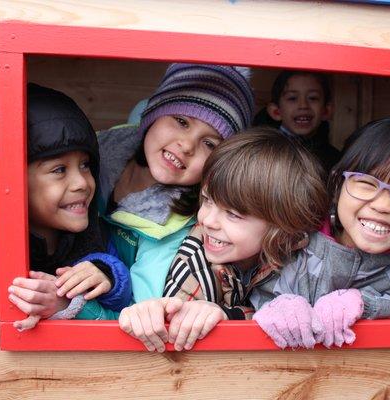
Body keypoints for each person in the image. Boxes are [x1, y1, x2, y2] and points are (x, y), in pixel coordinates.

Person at [62, 63, 255, 320]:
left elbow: (138, 315)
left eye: (209, 143)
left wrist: (66, 305)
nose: (186, 145)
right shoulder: (97, 150)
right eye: (181, 121)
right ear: (152, 115)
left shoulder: (172, 229)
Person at [252, 118, 390, 349]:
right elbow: (250, 293)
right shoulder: (294, 240)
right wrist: (277, 305)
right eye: (367, 183)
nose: (382, 205)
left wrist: (369, 307)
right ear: (337, 184)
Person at [117, 128, 330, 352]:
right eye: (207, 200)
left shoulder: (310, 258)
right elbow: (177, 342)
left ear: (282, 226)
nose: (208, 220)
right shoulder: (195, 262)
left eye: (233, 214)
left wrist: (233, 316)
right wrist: (224, 318)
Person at [7, 83, 132, 330]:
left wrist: (106, 276)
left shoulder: (96, 236)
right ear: (17, 180)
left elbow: (124, 302)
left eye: (85, 165)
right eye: (59, 170)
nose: (82, 183)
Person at [255, 70, 340, 171]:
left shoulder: (335, 161)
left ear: (326, 111)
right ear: (276, 112)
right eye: (292, 98)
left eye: (313, 98)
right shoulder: (260, 153)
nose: (303, 105)